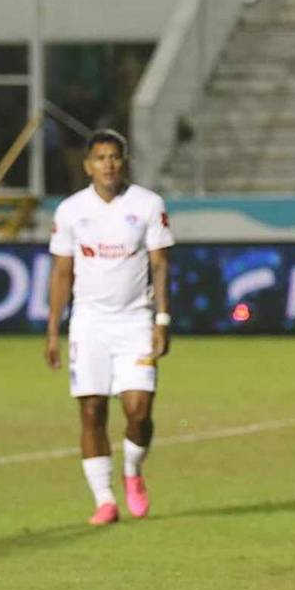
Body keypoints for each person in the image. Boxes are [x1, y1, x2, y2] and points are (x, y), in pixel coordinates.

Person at [45, 129, 174, 526]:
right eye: (100, 158)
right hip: (89, 324)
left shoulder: (148, 205)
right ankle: (104, 499)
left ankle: (132, 470)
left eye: (115, 157)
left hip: (135, 320)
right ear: (88, 166)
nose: (108, 164)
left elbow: (160, 265)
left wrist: (162, 319)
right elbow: (62, 272)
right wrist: (53, 330)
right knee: (91, 411)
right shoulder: (70, 211)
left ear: (124, 161)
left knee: (138, 409)